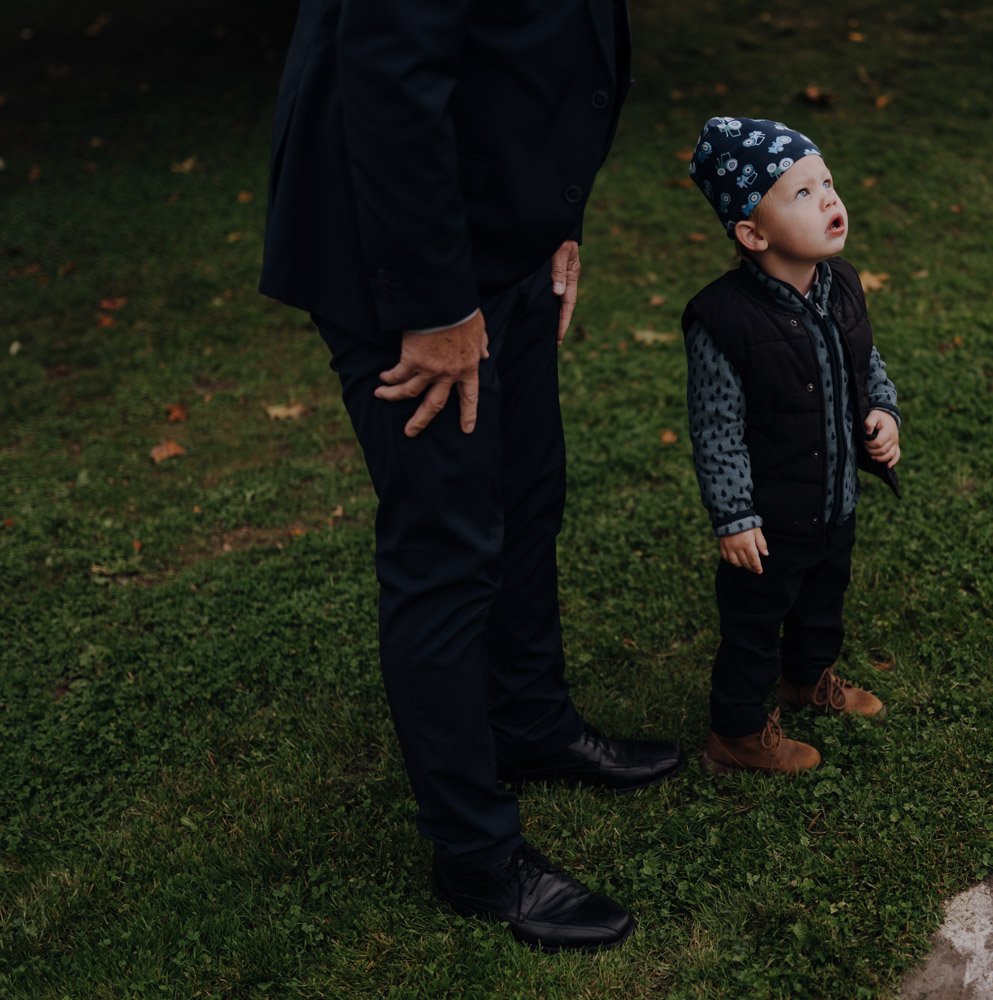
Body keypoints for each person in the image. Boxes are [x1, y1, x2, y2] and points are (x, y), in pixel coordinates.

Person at [258, 0, 684, 954]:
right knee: (448, 540)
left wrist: (553, 219)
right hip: (398, 252)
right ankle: (475, 853)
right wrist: (437, 301)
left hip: (504, 221)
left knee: (530, 487)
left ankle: (530, 721)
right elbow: (389, 85)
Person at [680, 116, 903, 775]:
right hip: (770, 517)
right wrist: (734, 516)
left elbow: (867, 364)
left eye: (828, 183)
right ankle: (739, 733)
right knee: (754, 625)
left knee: (822, 597)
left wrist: (883, 412)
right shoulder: (723, 320)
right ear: (753, 233)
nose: (830, 198)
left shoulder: (842, 284)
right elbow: (716, 428)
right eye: (803, 193)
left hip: (833, 499)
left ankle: (807, 679)